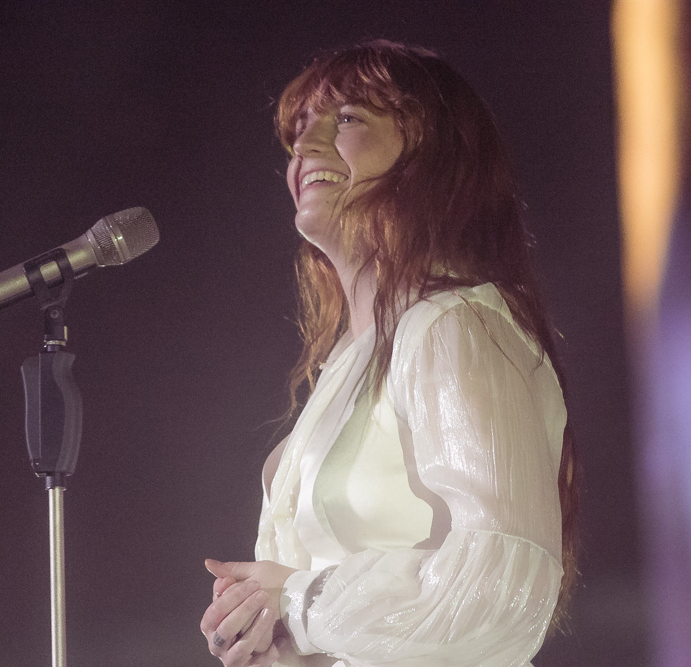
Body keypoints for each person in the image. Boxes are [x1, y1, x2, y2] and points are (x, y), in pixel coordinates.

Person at [199, 40, 579, 667]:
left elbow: (500, 590)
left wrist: (297, 604)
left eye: (347, 118)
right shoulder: (353, 359)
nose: (305, 146)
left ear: (432, 155)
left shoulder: (454, 325)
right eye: (299, 129)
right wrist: (269, 640)